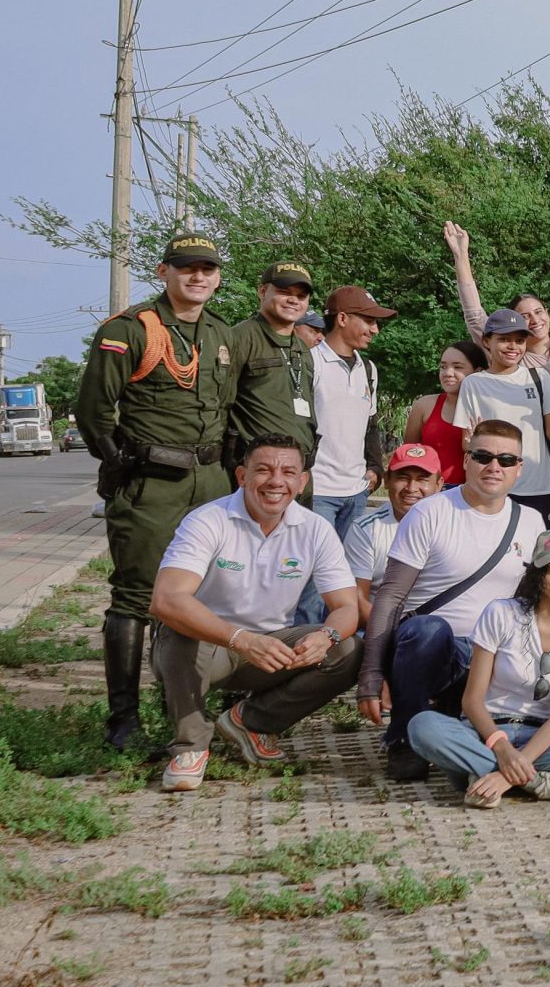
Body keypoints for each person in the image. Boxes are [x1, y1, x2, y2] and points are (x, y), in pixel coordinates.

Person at [76, 232, 239, 750]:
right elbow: (94, 410)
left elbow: (227, 410)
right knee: (136, 597)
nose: (197, 276)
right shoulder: (131, 330)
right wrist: (118, 463)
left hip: (210, 482)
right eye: (186, 267)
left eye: (207, 269)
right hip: (151, 485)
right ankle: (123, 721)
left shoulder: (220, 334)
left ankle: (186, 706)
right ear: (164, 272)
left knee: (206, 595)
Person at [148, 434, 362, 792]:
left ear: (302, 481)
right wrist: (240, 639)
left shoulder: (315, 530)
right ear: (242, 476)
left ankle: (250, 722)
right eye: (263, 470)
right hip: (206, 648)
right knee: (179, 626)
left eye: (288, 472)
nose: (276, 481)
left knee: (349, 649)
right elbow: (166, 600)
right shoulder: (208, 520)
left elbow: (346, 607)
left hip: (269, 652)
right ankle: (190, 746)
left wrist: (326, 636)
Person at [358, 418, 547, 781]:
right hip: (436, 650)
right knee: (426, 629)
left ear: (519, 469)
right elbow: (390, 597)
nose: (494, 467)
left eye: (507, 460)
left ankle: (471, 729)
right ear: (465, 460)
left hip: (495, 655)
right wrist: (371, 674)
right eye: (483, 456)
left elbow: (535, 603)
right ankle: (403, 738)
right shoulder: (431, 512)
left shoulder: (532, 521)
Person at [405, 529, 550, 808]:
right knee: (422, 726)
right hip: (484, 735)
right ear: (537, 573)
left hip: (546, 738)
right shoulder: (501, 613)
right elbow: (472, 700)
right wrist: (502, 750)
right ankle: (540, 782)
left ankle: (492, 781)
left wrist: (511, 770)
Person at [456, 309, 550, 518]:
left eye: (519, 340)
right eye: (504, 339)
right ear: (486, 341)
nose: (513, 347)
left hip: (539, 488)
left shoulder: (538, 377)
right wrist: (475, 442)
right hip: (493, 487)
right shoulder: (473, 383)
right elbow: (466, 442)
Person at [310, 285, 393, 541]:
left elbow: (370, 425)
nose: (375, 330)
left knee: (350, 574)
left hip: (357, 492)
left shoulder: (368, 369)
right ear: (342, 318)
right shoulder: (310, 362)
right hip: (317, 492)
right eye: (369, 321)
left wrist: (376, 468)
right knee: (313, 576)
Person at [226, 262, 318, 470]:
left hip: (299, 467)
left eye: (301, 296)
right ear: (262, 291)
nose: (293, 300)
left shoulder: (302, 347)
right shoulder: (239, 338)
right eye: (284, 292)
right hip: (259, 470)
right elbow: (220, 404)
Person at [343, 442, 446, 614]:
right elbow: (357, 602)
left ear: (439, 484)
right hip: (377, 624)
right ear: (387, 480)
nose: (411, 488)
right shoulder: (365, 529)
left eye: (422, 479)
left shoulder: (452, 526)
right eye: (403, 478)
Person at [402, 340, 484, 486]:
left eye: (458, 367)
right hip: (429, 493)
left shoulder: (487, 408)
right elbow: (408, 454)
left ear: (477, 372)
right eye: (443, 367)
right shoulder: (424, 405)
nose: (448, 373)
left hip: (470, 494)